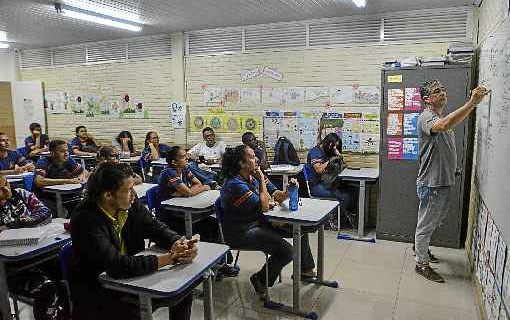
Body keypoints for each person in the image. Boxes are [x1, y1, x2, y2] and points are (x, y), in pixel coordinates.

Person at [70, 162, 198, 320]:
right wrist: (170, 258)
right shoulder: (85, 219)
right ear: (108, 195)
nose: (133, 193)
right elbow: (116, 266)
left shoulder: (129, 203)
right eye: (128, 189)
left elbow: (154, 227)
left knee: (182, 289)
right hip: (102, 291)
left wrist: (178, 243)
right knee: (133, 313)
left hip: (132, 279)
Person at [414, 80, 489, 283]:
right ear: (427, 99)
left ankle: (421, 248)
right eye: (437, 91)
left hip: (442, 180)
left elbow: (444, 147)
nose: (443, 93)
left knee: (432, 222)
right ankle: (421, 264)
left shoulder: (438, 117)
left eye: (443, 89)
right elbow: (445, 125)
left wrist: (452, 170)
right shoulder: (426, 118)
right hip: (432, 183)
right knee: (426, 225)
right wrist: (472, 103)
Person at [220, 145, 316, 299]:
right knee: (287, 251)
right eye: (251, 157)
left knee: (300, 229)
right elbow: (264, 206)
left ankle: (305, 270)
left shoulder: (255, 174)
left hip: (259, 223)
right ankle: (260, 279)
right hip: (241, 231)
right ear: (241, 164)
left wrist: (289, 190)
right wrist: (262, 182)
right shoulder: (235, 184)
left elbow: (277, 195)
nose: (256, 159)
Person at [306, 133, 357, 227]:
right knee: (345, 197)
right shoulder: (316, 152)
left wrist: (339, 156)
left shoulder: (327, 152)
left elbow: (343, 167)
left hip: (328, 183)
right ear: (329, 143)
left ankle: (344, 216)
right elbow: (319, 169)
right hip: (316, 186)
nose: (334, 148)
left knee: (353, 190)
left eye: (336, 147)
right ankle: (333, 218)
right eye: (333, 146)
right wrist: (330, 160)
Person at [35, 140, 89, 216]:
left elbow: (84, 172)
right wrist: (67, 181)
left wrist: (80, 178)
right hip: (48, 196)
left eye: (67, 150)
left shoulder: (68, 160)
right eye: (62, 151)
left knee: (82, 209)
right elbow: (39, 181)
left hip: (66, 195)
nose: (66, 153)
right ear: (52, 153)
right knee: (52, 213)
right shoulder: (43, 162)